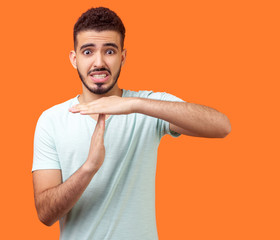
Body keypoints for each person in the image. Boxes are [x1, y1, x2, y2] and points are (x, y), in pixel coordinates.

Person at [32, 7, 231, 240]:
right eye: (88, 52)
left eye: (109, 51)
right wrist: (89, 168)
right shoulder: (51, 120)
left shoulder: (147, 106)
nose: (99, 62)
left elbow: (221, 126)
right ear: (74, 59)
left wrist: (135, 104)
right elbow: (45, 213)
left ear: (123, 57)